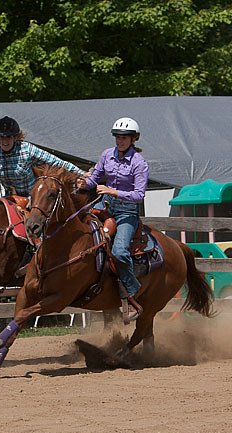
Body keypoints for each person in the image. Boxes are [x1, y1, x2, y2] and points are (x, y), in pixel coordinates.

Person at [76, 117, 149, 322]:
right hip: (104, 207)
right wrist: (83, 182)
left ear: (133, 139)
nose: (120, 140)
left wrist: (113, 191)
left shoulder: (139, 163)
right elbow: (94, 178)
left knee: (119, 252)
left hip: (127, 213)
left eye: (124, 137)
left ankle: (133, 293)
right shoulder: (107, 155)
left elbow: (139, 195)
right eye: (117, 136)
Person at [0, 116, 84, 197]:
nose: (5, 141)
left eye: (8, 137)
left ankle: (41, 241)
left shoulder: (27, 150)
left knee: (37, 224)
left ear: (15, 137)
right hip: (9, 199)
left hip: (32, 198)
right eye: (1, 137)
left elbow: (56, 162)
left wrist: (81, 173)